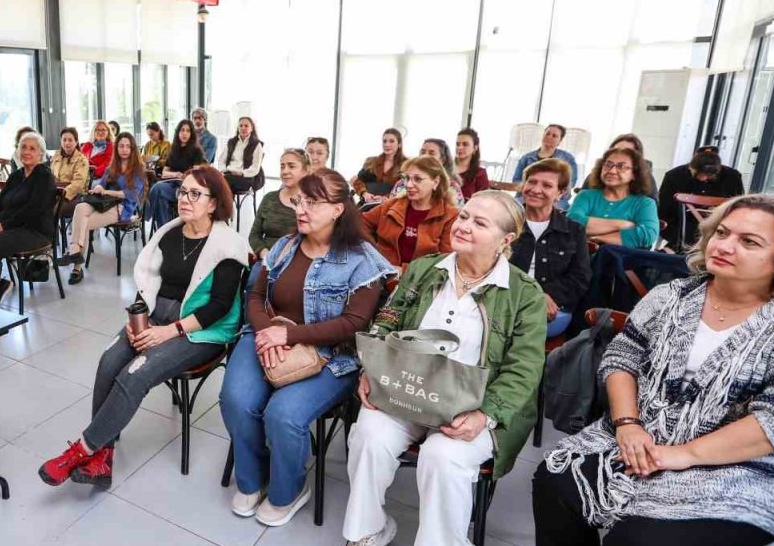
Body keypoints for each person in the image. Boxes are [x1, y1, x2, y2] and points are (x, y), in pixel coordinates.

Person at [533, 194, 774, 546]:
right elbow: (622, 357)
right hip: (642, 433)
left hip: (737, 466)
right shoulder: (671, 296)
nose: (725, 245)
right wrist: (627, 425)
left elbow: (773, 422)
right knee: (556, 478)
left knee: (639, 539)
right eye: (722, 233)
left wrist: (680, 455)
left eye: (749, 242)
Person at [343, 190, 546, 546]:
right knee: (369, 437)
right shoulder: (425, 269)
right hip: (409, 387)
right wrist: (372, 370)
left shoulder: (523, 294)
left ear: (506, 240)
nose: (463, 226)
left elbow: (525, 368)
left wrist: (486, 414)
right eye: (464, 216)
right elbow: (387, 321)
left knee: (443, 456)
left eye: (479, 223)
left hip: (474, 404)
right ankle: (367, 530)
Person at [37, 166, 249, 489]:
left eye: (196, 194)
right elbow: (148, 282)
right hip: (156, 316)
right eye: (183, 191)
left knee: (134, 374)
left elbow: (219, 308)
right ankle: (102, 460)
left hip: (200, 329)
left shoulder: (228, 245)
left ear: (214, 203)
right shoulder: (169, 233)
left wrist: (168, 331)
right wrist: (137, 318)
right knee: (109, 360)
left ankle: (82, 450)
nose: (185, 199)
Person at [221, 169, 393, 526]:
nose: (301, 209)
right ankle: (254, 478)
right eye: (300, 200)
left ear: (339, 210)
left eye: (313, 203)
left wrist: (289, 337)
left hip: (332, 355)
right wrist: (268, 332)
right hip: (267, 335)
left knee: (283, 414)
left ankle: (289, 491)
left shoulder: (362, 259)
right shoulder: (285, 246)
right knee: (236, 399)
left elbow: (354, 324)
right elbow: (254, 295)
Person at [0, 131, 57, 306]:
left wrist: (4, 225)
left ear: (41, 154)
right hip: (10, 227)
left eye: (32, 148)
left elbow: (33, 211)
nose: (26, 152)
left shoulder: (44, 177)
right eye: (23, 147)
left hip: (34, 230)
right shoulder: (16, 175)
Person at [510, 158, 591, 338]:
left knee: (526, 324)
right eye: (531, 182)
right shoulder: (506, 222)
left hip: (553, 308)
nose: (536, 189)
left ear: (560, 193)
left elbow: (580, 278)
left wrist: (544, 296)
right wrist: (534, 295)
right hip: (505, 300)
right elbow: (489, 266)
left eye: (547, 185)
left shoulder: (573, 230)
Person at [57, 132, 149, 285]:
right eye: (121, 146)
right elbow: (103, 183)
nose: (124, 149)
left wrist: (106, 192)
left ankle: (76, 267)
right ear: (117, 148)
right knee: (80, 208)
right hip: (103, 202)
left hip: (122, 207)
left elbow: (131, 195)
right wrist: (99, 187)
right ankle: (75, 252)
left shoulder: (138, 170)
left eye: (128, 146)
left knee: (83, 223)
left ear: (133, 149)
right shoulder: (112, 166)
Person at [362, 156, 459, 272]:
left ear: (436, 182)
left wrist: (403, 270)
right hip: (383, 276)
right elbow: (360, 224)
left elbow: (445, 262)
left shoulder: (450, 215)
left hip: (420, 284)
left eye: (417, 179)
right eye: (406, 178)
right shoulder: (391, 206)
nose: (408, 185)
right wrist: (371, 255)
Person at [568, 147, 659, 249]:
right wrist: (621, 225)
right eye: (608, 165)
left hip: (622, 262)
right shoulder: (586, 195)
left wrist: (596, 238)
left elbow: (647, 235)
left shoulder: (645, 203)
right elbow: (572, 223)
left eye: (621, 166)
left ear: (634, 174)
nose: (612, 171)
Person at [658, 146, 745, 251]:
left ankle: (671, 251)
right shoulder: (674, 176)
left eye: (709, 175)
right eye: (699, 174)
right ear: (691, 167)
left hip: (718, 224)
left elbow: (739, 205)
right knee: (690, 231)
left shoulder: (732, 177)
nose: (704, 178)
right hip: (680, 222)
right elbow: (664, 208)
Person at [248, 149, 309, 261]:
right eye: (282, 167)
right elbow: (254, 235)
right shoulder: (269, 198)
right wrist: (264, 253)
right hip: (266, 259)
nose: (285, 171)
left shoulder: (312, 203)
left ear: (305, 171)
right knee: (253, 279)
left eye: (291, 166)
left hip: (295, 262)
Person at [147, 118, 206, 228]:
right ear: (178, 132)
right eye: (182, 130)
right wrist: (176, 174)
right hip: (171, 185)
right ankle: (165, 231)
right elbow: (164, 173)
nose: (184, 133)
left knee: (157, 188)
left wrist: (184, 176)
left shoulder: (196, 151)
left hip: (186, 190)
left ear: (191, 134)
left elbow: (195, 175)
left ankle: (146, 216)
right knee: (160, 199)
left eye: (188, 131)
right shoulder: (173, 149)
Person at [512, 124, 578, 210]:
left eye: (554, 136)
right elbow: (516, 180)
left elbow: (569, 183)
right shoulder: (526, 157)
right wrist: (531, 190)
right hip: (526, 197)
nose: (550, 137)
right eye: (547, 134)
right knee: (510, 208)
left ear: (559, 141)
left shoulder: (568, 159)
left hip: (557, 201)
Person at [387, 139, 463, 205]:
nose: (425, 156)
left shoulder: (452, 187)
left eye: (431, 153)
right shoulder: (402, 183)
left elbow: (459, 216)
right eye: (423, 152)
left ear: (442, 160)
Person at [352, 128, 407, 204]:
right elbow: (357, 181)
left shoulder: (407, 164)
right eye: (384, 141)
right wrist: (364, 193)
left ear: (399, 144)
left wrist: (387, 197)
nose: (387, 144)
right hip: (367, 204)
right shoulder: (371, 161)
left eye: (391, 141)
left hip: (392, 206)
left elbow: (406, 188)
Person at [219, 116, 266, 194]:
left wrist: (242, 173)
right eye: (240, 126)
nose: (243, 128)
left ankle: (224, 205)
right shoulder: (231, 142)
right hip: (229, 174)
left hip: (246, 177)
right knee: (218, 181)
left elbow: (255, 167)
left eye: (246, 126)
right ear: (238, 128)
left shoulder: (256, 144)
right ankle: (226, 205)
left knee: (223, 183)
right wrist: (224, 170)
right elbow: (221, 160)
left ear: (252, 128)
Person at [51, 126, 90, 216]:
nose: (67, 143)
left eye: (70, 140)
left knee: (50, 210)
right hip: (57, 193)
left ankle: (53, 230)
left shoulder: (81, 160)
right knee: (38, 205)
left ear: (76, 142)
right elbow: (51, 176)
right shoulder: (56, 156)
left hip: (75, 195)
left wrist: (62, 194)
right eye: (64, 140)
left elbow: (78, 184)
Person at [608, 134, 659, 202]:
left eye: (627, 152)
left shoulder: (646, 180)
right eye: (615, 150)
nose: (619, 154)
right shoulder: (595, 176)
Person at [455, 128, 490, 201]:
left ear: (475, 148)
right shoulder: (446, 169)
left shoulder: (480, 173)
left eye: (465, 144)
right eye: (457, 144)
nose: (460, 147)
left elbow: (483, 200)